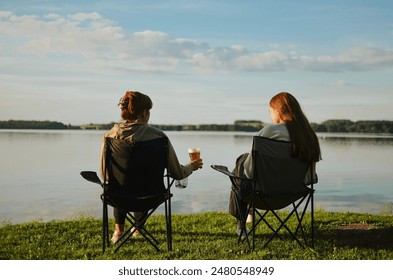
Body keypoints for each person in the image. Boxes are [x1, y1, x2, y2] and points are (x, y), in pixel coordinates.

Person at [100, 90, 203, 243]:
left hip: (118, 197)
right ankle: (138, 228)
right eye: (149, 112)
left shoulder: (109, 137)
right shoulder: (159, 137)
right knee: (142, 182)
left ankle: (118, 232)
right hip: (151, 197)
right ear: (142, 113)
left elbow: (105, 175)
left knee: (118, 183)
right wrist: (191, 167)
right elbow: (178, 173)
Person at [229, 92, 321, 235]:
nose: (270, 116)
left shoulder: (269, 131)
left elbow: (249, 172)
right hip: (292, 193)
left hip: (261, 193)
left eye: (270, 111)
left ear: (278, 111)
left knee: (241, 163)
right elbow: (310, 177)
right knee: (243, 162)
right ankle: (246, 215)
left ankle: (242, 225)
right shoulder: (308, 135)